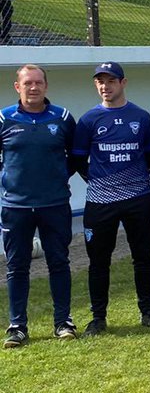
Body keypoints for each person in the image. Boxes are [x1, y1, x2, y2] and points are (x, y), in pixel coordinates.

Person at [74, 62, 150, 336]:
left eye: (111, 81)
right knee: (99, 261)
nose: (105, 86)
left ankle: (147, 312)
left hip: (138, 198)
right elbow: (77, 159)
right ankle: (98, 317)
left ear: (123, 83)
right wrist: (100, 182)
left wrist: (133, 179)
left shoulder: (141, 116)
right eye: (100, 81)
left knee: (142, 257)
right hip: (100, 201)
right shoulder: (89, 120)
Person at [1, 64, 77, 347]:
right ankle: (17, 326)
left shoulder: (63, 118)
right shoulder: (4, 118)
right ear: (17, 87)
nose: (33, 88)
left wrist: (54, 178)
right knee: (16, 266)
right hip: (15, 207)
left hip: (55, 203)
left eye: (38, 83)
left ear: (46, 86)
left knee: (59, 262)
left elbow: (75, 156)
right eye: (27, 83)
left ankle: (63, 322)